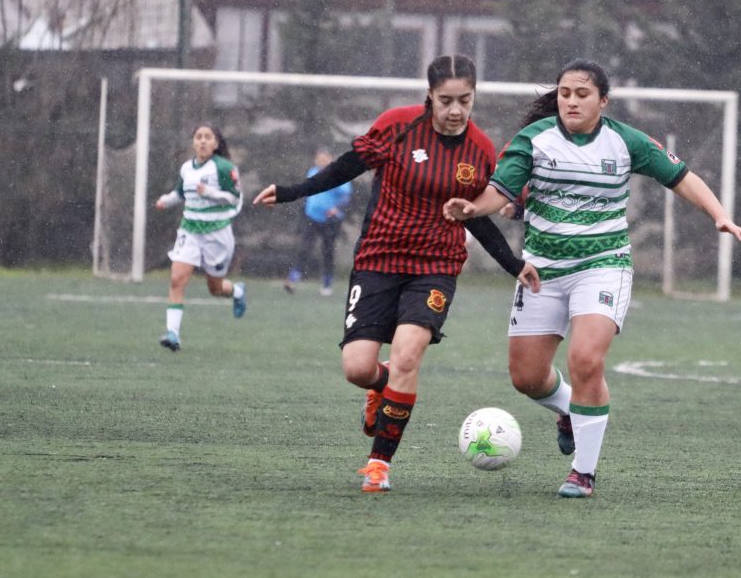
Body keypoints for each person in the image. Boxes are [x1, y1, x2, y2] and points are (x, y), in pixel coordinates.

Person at [443, 59, 741, 498]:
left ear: (603, 101)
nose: (571, 101)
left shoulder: (625, 142)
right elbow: (501, 192)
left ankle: (582, 473)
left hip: (602, 266)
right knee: (527, 377)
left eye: (582, 94)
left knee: (586, 358)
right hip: (542, 271)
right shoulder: (533, 141)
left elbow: (682, 177)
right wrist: (473, 209)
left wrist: (720, 215)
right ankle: (568, 409)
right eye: (565, 93)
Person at [254, 54, 540, 493]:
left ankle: (378, 464)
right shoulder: (397, 126)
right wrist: (294, 192)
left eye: (465, 99)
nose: (455, 110)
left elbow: (476, 217)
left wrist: (514, 264)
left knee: (408, 355)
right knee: (357, 367)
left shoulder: (481, 150)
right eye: (446, 100)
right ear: (429, 95)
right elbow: (348, 165)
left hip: (435, 267)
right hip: (379, 258)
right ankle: (379, 387)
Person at [154, 123, 247, 351]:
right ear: (193, 142)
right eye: (198, 137)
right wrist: (166, 201)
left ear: (216, 144)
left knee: (214, 288)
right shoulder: (187, 168)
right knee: (177, 279)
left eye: (208, 137)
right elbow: (180, 193)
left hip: (217, 233)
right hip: (190, 230)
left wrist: (211, 193)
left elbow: (235, 198)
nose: (203, 141)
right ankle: (173, 334)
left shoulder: (224, 168)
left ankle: (237, 291)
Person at [285, 147, 354, 296]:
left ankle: (327, 283)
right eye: (319, 159)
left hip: (330, 220)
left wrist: (336, 208)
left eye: (324, 159)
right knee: (304, 248)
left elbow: (346, 196)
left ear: (330, 159)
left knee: (327, 251)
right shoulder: (312, 172)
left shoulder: (338, 174)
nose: (321, 162)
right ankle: (293, 278)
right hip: (312, 217)